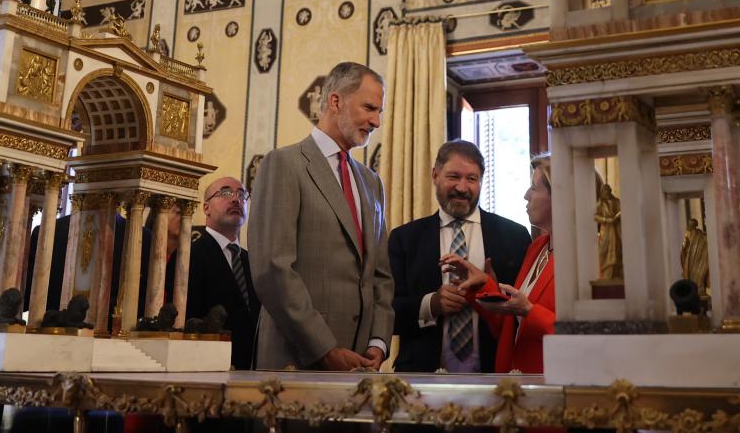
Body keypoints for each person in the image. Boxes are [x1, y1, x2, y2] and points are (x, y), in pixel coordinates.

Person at [251, 62, 394, 370]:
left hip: (360, 367)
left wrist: (378, 342)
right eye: (369, 108)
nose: (376, 121)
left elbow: (380, 275)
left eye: (379, 111)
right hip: (296, 360)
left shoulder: (372, 183)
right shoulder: (284, 165)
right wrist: (326, 349)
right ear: (335, 101)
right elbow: (272, 270)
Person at [387, 140, 530, 373]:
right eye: (454, 176)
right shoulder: (405, 239)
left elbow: (524, 314)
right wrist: (430, 304)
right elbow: (387, 313)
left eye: (472, 179)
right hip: (421, 378)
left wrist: (492, 292)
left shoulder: (515, 236)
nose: (462, 188)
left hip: (496, 375)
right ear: (435, 175)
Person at [445, 153, 557, 374]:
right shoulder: (537, 247)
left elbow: (591, 337)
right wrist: (483, 286)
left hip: (554, 382)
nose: (526, 195)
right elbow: (509, 327)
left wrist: (529, 311)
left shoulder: (587, 256)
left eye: (534, 188)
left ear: (560, 196)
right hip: (514, 381)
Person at [183, 175, 260, 370]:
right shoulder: (190, 255)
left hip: (253, 369)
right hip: (207, 368)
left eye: (242, 195)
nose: (235, 199)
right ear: (206, 208)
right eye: (225, 193)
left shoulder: (253, 260)